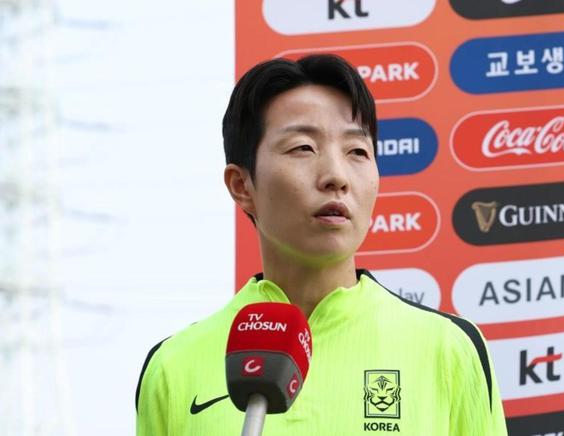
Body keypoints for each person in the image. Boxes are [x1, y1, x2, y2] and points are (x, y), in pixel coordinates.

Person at [135, 54, 507, 435]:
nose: (336, 176)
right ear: (242, 185)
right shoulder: (173, 367)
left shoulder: (449, 349)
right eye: (303, 148)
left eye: (357, 151)